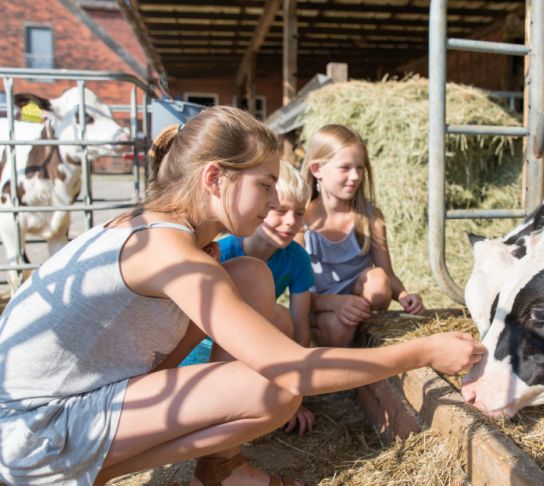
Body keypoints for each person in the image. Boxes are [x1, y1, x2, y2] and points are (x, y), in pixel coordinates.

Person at [0, 106, 485, 486]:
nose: (277, 203)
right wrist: (421, 350)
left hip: (69, 402)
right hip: (35, 434)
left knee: (250, 277)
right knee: (275, 388)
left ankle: (220, 468)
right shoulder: (171, 252)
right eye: (266, 185)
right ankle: (92, 473)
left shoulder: (164, 231)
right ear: (215, 178)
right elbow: (293, 367)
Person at [184, 160, 317, 435]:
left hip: (248, 346)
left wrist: (297, 394)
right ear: (262, 207)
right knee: (273, 317)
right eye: (280, 210)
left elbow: (301, 328)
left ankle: (273, 391)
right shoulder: (223, 250)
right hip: (205, 350)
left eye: (299, 213)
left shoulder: (297, 257)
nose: (291, 221)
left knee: (282, 320)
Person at [300, 124, 425, 348]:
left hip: (360, 306)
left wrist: (405, 295)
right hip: (321, 308)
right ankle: (331, 352)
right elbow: (298, 293)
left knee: (378, 282)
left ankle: (361, 335)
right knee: (337, 326)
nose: (355, 176)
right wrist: (335, 303)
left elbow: (387, 274)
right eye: (345, 168)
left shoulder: (370, 217)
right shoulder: (301, 221)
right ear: (317, 169)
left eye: (360, 168)